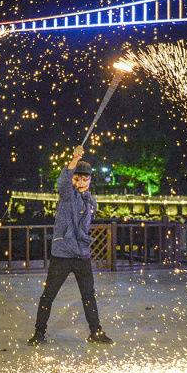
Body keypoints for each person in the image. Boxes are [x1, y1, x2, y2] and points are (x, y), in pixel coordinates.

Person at [28, 146, 113, 345]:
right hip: (62, 255)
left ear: (90, 180)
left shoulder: (91, 201)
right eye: (77, 178)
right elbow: (62, 181)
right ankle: (39, 333)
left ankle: (96, 332)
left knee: (88, 296)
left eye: (85, 179)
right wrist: (74, 159)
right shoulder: (67, 195)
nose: (81, 182)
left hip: (82, 255)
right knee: (48, 295)